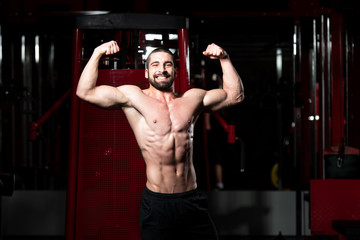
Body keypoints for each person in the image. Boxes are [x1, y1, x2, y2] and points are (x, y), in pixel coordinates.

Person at [76, 40, 245, 240]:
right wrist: (97, 52)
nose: (161, 70)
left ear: (175, 71)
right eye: (155, 65)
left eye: (167, 64)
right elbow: (84, 92)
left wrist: (224, 58)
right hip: (157, 203)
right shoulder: (134, 97)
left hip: (191, 199)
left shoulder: (192, 99)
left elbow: (235, 96)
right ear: (147, 72)